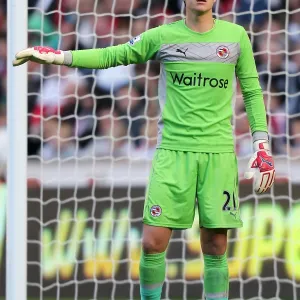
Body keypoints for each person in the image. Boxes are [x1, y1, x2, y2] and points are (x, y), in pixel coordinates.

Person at [13, 0, 276, 299]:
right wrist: (61, 57)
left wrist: (261, 145)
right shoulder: (163, 36)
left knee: (215, 246)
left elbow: (252, 91)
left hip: (218, 154)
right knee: (152, 242)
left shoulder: (236, 35)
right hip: (173, 153)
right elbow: (114, 54)